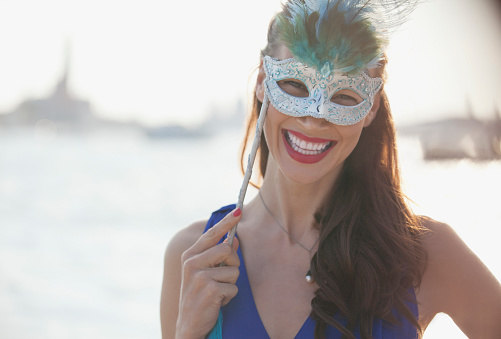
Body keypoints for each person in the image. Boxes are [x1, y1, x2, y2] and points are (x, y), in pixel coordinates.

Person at [160, 0, 501, 338]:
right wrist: (186, 333)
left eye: (345, 96)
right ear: (263, 81)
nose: (313, 118)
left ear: (371, 108)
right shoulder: (194, 258)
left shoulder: (427, 253)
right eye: (295, 84)